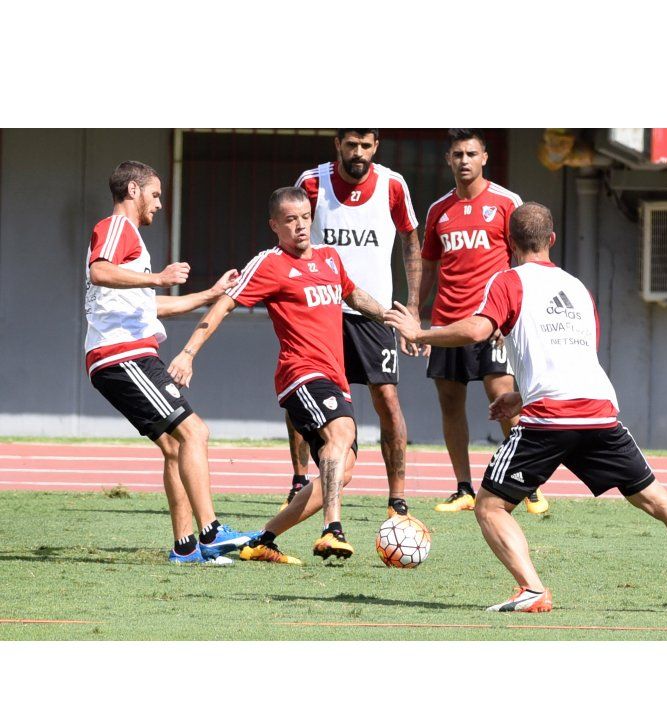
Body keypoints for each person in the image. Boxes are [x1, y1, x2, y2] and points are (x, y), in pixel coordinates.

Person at [386, 202, 667, 613]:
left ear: (509, 242)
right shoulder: (578, 288)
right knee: (660, 501)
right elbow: (577, 355)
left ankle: (531, 589)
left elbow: (477, 329)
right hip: (599, 412)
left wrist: (420, 332)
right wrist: (519, 396)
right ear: (552, 240)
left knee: (490, 505)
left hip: (549, 419)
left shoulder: (507, 281)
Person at [168, 187, 389, 564]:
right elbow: (224, 305)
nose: (300, 226)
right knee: (341, 433)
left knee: (344, 470)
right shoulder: (269, 263)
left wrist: (392, 317)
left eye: (305, 217)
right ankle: (333, 528)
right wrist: (188, 353)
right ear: (274, 225)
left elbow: (353, 296)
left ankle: (263, 539)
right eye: (290, 220)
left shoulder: (329, 258)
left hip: (334, 377)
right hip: (300, 374)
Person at [85, 160, 258, 565]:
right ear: (133, 190)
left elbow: (152, 305)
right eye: (156, 194)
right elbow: (100, 271)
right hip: (123, 354)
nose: (160, 204)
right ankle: (212, 531)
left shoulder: (130, 243)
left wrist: (210, 294)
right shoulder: (117, 227)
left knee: (176, 446)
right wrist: (159, 277)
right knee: (195, 432)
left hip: (121, 356)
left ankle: (185, 547)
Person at [278, 129, 421, 520]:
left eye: (366, 145)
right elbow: (290, 234)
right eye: (351, 144)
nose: (358, 152)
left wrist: (411, 305)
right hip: (320, 310)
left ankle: (397, 497)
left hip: (373, 312)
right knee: (303, 393)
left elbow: (410, 239)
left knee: (387, 399)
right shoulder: (312, 182)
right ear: (337, 144)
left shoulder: (393, 184)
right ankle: (299, 479)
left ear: (376, 146)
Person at [420, 129, 548, 516]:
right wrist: (414, 314)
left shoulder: (507, 202)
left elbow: (525, 261)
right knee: (450, 403)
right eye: (458, 154)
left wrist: (513, 317)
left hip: (493, 323)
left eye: (471, 154)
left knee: (503, 397)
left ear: (484, 158)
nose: (464, 160)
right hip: (447, 322)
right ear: (449, 159)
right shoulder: (438, 210)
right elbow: (429, 267)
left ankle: (525, 483)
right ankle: (463, 488)